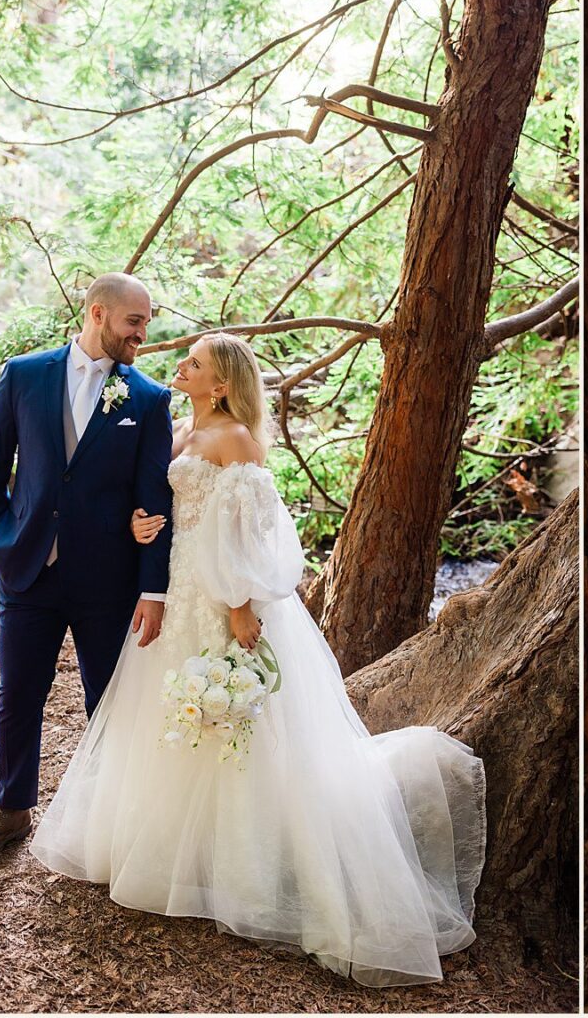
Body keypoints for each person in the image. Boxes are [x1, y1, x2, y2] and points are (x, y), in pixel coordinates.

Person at [28, 332, 485, 987]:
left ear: (221, 384)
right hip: (177, 589)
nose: (179, 366)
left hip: (220, 598)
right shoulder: (180, 428)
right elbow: (166, 505)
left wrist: (242, 602)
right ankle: (171, 851)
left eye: (194, 364)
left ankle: (243, 867)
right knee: (167, 720)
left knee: (233, 723)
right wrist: (141, 525)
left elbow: (252, 529)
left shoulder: (237, 439)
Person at [0, 273, 174, 864]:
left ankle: (109, 823)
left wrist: (152, 587)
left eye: (147, 322)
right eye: (135, 321)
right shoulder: (25, 375)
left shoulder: (149, 400)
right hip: (28, 571)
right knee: (19, 692)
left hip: (108, 581)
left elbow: (154, 500)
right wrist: (2, 538)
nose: (143, 333)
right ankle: (11, 813)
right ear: (99, 314)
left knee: (106, 702)